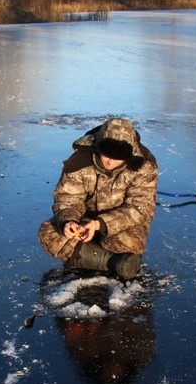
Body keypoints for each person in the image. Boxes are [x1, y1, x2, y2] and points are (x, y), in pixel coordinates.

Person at [38, 118, 157, 280]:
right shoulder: (80, 160)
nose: (110, 161)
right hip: (85, 220)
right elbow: (67, 198)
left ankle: (89, 256)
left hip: (121, 223)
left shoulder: (144, 166)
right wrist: (69, 222)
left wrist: (100, 224)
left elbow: (140, 208)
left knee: (125, 243)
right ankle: (112, 262)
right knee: (49, 233)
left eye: (118, 157)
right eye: (106, 154)